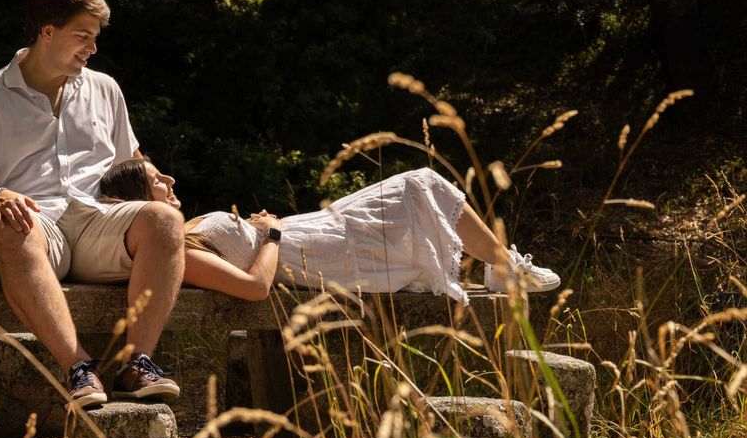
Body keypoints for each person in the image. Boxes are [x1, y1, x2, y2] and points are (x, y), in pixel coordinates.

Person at [0, 0, 184, 409]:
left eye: (95, 37)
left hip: (96, 220)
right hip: (29, 227)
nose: (92, 48)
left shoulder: (105, 88)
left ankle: (137, 363)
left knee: (166, 220)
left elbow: (127, 158)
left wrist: (148, 175)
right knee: (7, 223)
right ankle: (79, 368)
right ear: (47, 32)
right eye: (83, 36)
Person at [98, 159, 560, 303]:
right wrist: (272, 235)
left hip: (312, 231)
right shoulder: (176, 250)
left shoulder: (187, 229)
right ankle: (506, 267)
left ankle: (503, 266)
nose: (171, 180)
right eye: (158, 180)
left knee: (423, 182)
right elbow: (256, 288)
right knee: (421, 185)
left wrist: (268, 230)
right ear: (141, 197)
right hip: (316, 254)